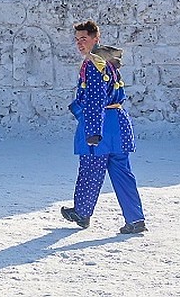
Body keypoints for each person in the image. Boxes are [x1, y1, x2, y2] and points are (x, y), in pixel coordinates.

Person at [60, 19, 146, 235]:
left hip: (102, 125)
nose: (80, 43)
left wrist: (93, 132)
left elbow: (95, 101)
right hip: (119, 123)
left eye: (84, 39)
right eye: (77, 39)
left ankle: (82, 212)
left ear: (95, 38)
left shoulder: (94, 65)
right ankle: (135, 219)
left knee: (91, 169)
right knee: (122, 173)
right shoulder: (107, 61)